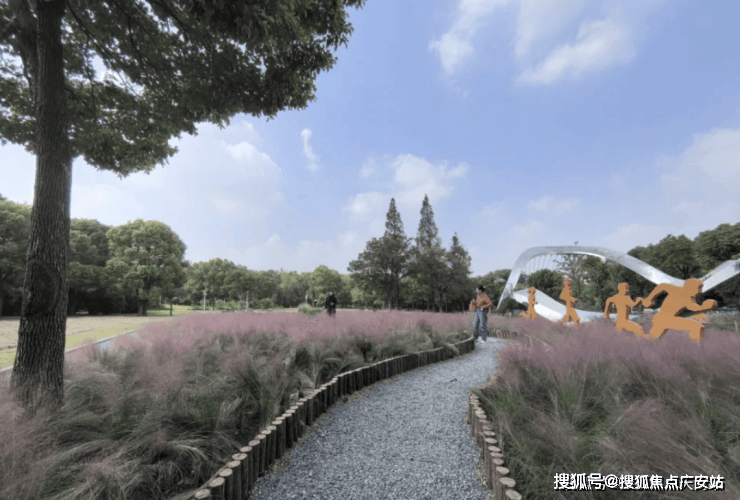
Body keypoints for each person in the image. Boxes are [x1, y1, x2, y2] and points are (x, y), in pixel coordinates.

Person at [640, 278, 717, 344]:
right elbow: (662, 286)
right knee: (696, 326)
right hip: (664, 319)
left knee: (651, 339)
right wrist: (649, 298)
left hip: (663, 319)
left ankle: (638, 337)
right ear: (690, 287)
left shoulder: (688, 299)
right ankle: (695, 348)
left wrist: (705, 306)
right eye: (699, 288)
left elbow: (694, 308)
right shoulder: (676, 290)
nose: (700, 291)